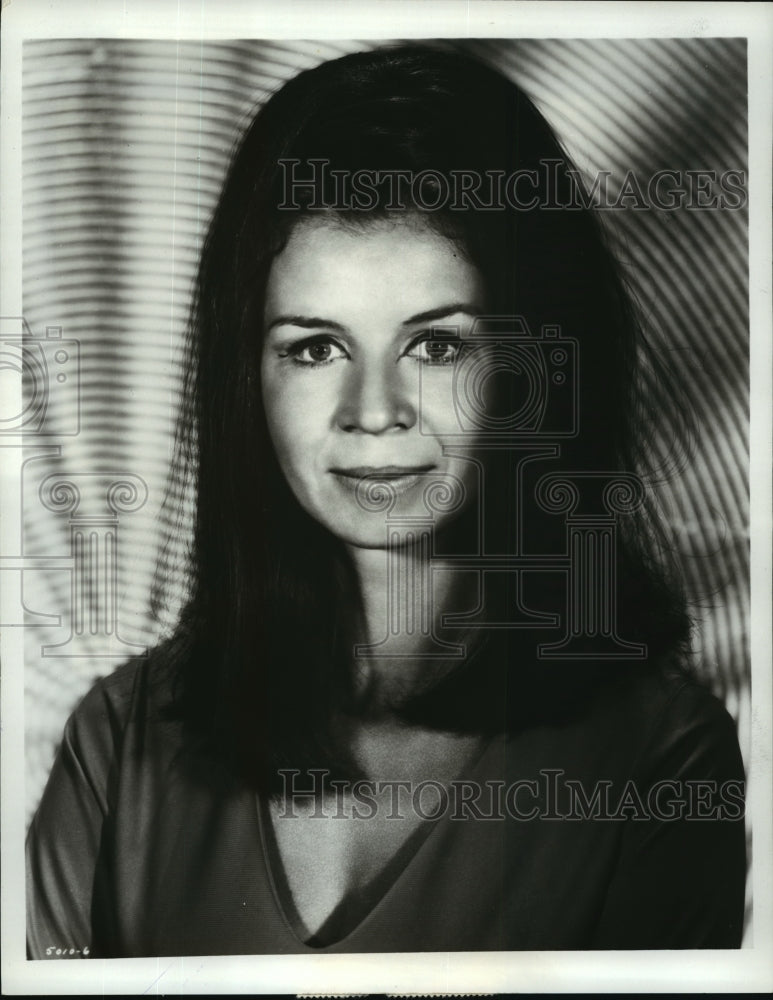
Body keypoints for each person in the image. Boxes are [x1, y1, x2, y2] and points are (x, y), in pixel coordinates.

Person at [26, 43, 746, 957]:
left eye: (437, 347)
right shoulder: (115, 742)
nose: (373, 413)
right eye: (314, 347)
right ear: (246, 375)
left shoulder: (660, 756)